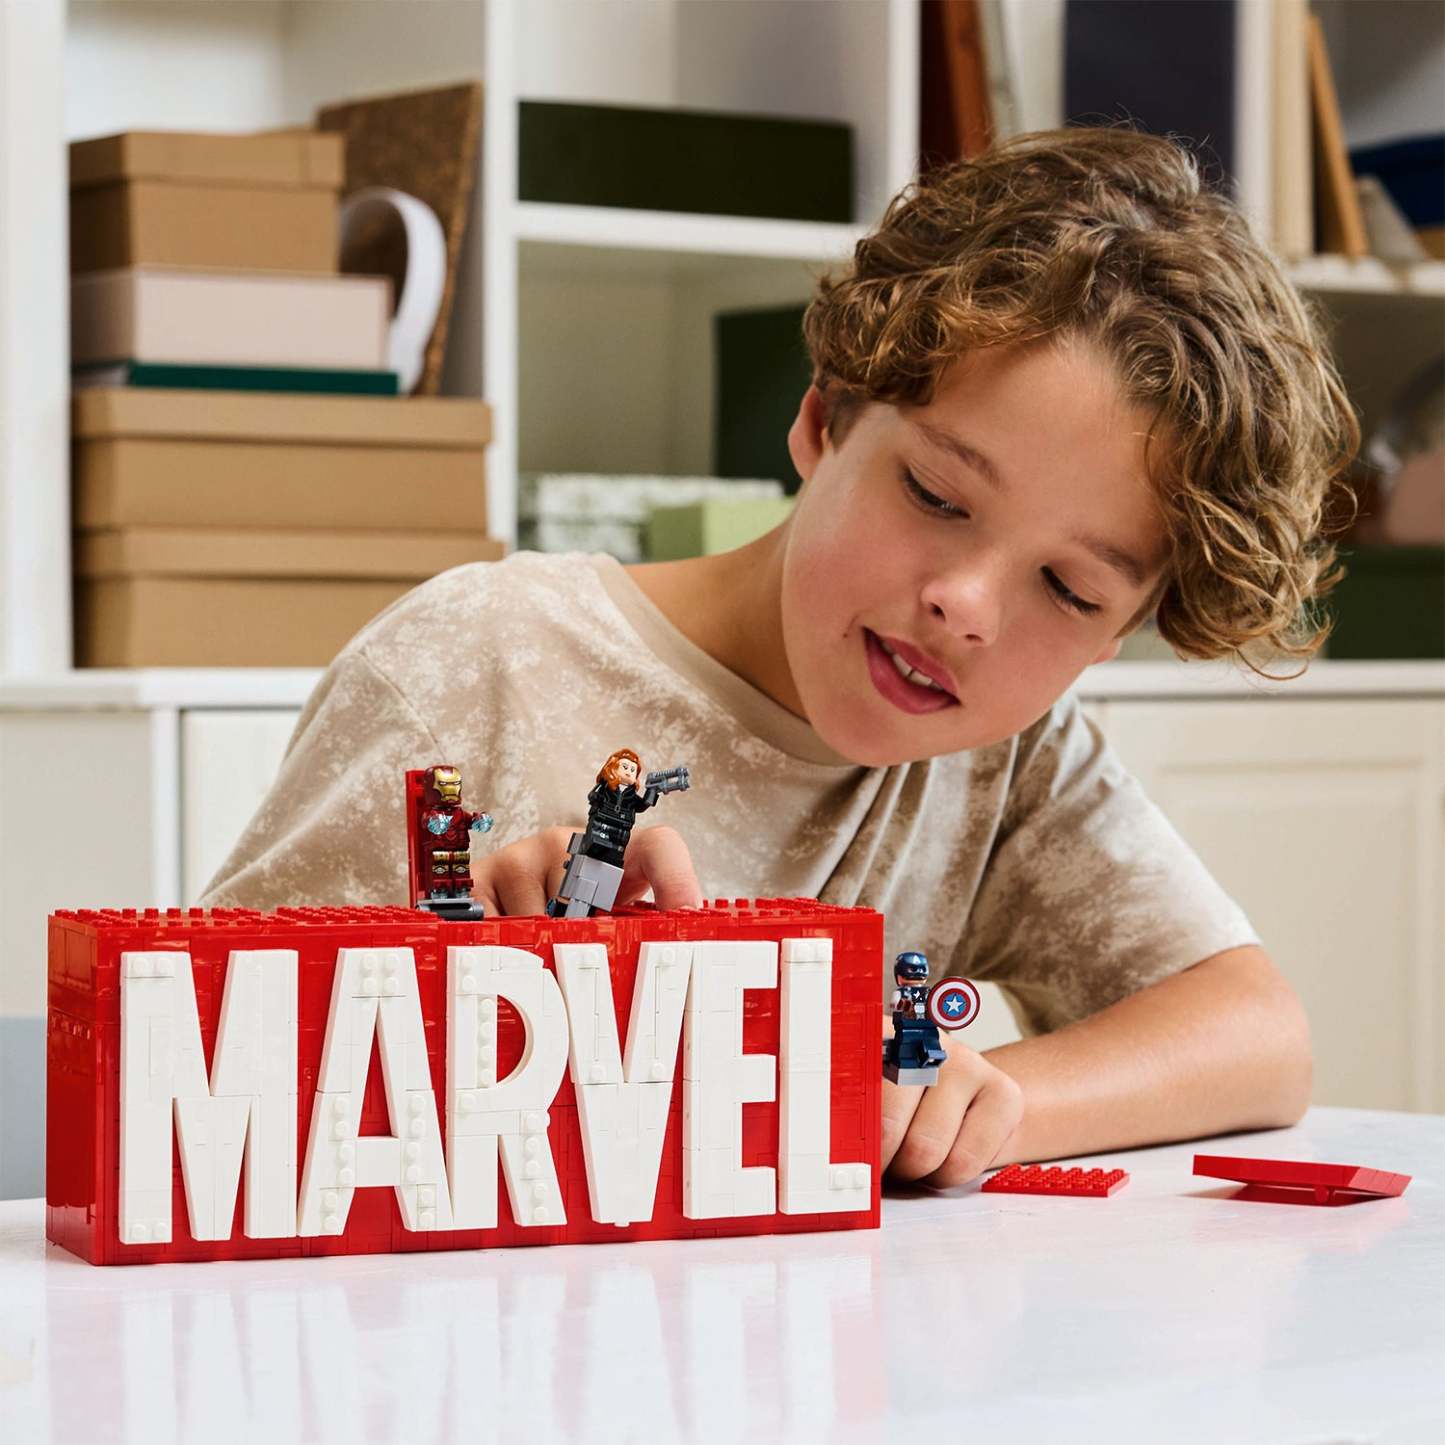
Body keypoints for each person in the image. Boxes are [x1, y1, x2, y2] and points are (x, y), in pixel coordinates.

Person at [201, 128, 1356, 1188]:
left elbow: (1257, 1034)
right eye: (934, 493)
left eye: (1067, 588)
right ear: (823, 417)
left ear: (1114, 635)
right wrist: (461, 975)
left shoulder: (1007, 759)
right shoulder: (480, 659)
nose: (963, 605)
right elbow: (203, 1073)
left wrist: (964, 1103)